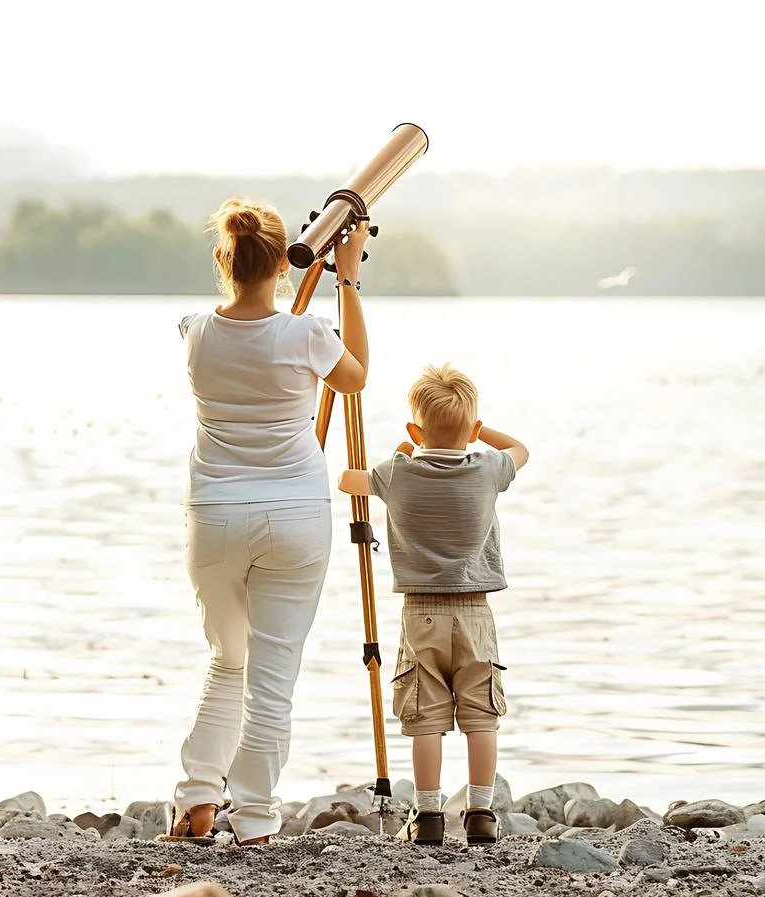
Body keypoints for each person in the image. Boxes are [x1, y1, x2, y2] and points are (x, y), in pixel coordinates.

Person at [164, 197, 370, 846]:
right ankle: (252, 820)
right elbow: (356, 379)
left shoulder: (193, 330)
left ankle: (197, 802)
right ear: (285, 261)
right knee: (272, 678)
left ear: (223, 259)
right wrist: (348, 276)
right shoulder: (306, 335)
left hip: (215, 519)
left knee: (228, 659)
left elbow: (235, 322)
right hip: (294, 518)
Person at [337, 364, 529, 846]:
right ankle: (482, 814)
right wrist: (479, 430)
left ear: (414, 429)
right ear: (472, 429)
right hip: (476, 613)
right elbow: (520, 450)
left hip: (420, 615)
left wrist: (403, 449)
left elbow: (347, 481)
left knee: (426, 717)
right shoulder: (488, 468)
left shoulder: (395, 474)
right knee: (481, 716)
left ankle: (427, 818)